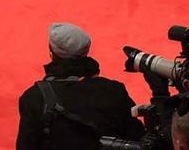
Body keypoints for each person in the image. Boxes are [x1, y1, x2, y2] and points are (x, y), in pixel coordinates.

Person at [16, 22, 144, 149]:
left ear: (51, 54)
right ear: (86, 52)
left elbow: (26, 146)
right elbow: (137, 137)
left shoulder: (34, 97)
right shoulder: (114, 91)